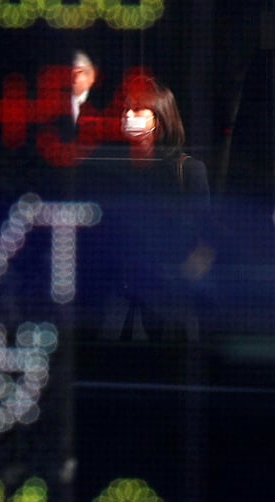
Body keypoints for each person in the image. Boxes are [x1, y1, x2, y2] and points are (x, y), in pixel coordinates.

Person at [78, 75, 211, 341]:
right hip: (117, 296)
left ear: (159, 118)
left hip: (168, 296)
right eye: (126, 109)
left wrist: (183, 278)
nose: (128, 115)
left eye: (138, 109)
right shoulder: (110, 170)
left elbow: (206, 235)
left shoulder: (187, 170)